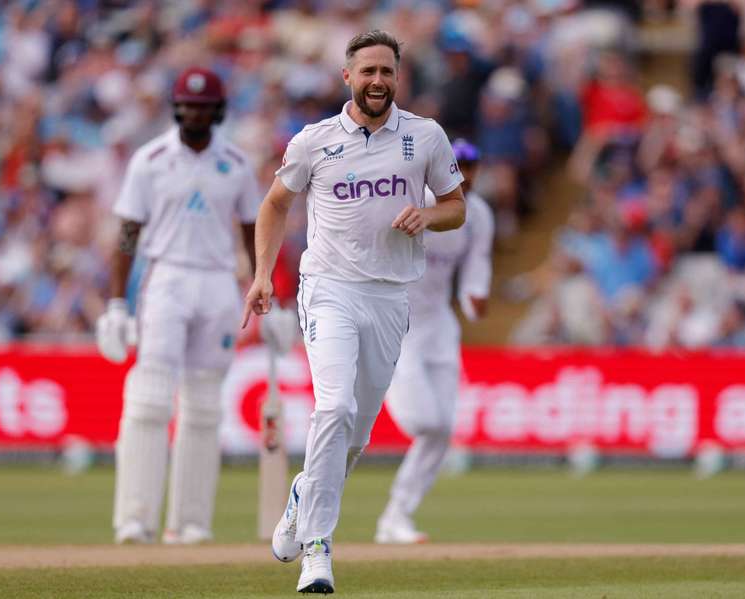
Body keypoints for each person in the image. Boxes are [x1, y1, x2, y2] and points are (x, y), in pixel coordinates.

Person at [242, 30, 466, 594]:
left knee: (356, 438)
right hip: (330, 290)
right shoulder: (314, 141)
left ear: (398, 77)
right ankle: (318, 551)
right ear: (348, 77)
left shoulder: (425, 136)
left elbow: (456, 207)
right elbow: (273, 206)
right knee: (334, 407)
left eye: (387, 72)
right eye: (368, 71)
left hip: (391, 296)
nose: (378, 81)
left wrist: (427, 215)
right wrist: (263, 274)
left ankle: (303, 495)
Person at [96, 67, 261, 545]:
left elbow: (253, 229)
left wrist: (265, 287)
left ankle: (190, 522)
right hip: (165, 276)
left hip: (216, 282)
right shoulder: (150, 160)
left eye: (205, 106)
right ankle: (135, 517)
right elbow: (127, 233)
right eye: (189, 106)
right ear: (176, 108)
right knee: (149, 398)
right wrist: (115, 304)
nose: (196, 113)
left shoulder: (235, 162)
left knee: (205, 405)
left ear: (219, 110)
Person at [375, 139, 494, 544]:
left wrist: (474, 299)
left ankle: (396, 517)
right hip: (401, 321)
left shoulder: (478, 214)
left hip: (440, 324)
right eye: (459, 164)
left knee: (442, 431)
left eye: (472, 164)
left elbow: (477, 266)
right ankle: (378, 381)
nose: (466, 172)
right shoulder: (417, 200)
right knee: (426, 421)